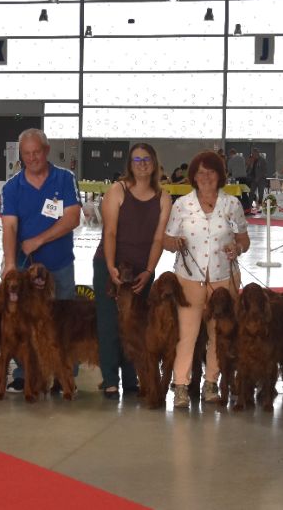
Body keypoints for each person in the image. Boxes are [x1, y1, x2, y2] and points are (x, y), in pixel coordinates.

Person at [163, 150, 249, 408]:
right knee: (187, 334)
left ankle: (211, 383)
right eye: (201, 173)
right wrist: (175, 243)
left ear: (220, 175)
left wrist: (238, 248)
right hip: (189, 278)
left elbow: (244, 238)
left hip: (225, 278)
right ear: (193, 176)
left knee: (218, 334)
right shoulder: (182, 204)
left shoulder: (231, 204)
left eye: (211, 172)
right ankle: (180, 385)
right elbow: (166, 239)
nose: (206, 177)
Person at [0, 128, 81, 393]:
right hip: (26, 271)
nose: (32, 157)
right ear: (21, 156)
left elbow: (72, 218)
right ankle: (24, 373)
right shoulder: (12, 187)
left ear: (46, 151)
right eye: (27, 153)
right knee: (25, 325)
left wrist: (39, 240)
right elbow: (10, 228)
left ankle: (63, 375)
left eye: (37, 152)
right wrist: (10, 264)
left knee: (63, 326)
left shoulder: (65, 178)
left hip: (60, 268)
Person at [95, 143, 172, 400]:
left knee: (136, 326)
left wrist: (149, 271)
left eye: (147, 159)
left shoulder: (163, 197)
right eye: (136, 159)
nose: (142, 164)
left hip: (141, 271)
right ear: (130, 163)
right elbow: (110, 231)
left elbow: (159, 239)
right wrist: (110, 267)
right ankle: (109, 380)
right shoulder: (118, 190)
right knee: (108, 323)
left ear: (155, 163)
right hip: (111, 264)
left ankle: (131, 379)